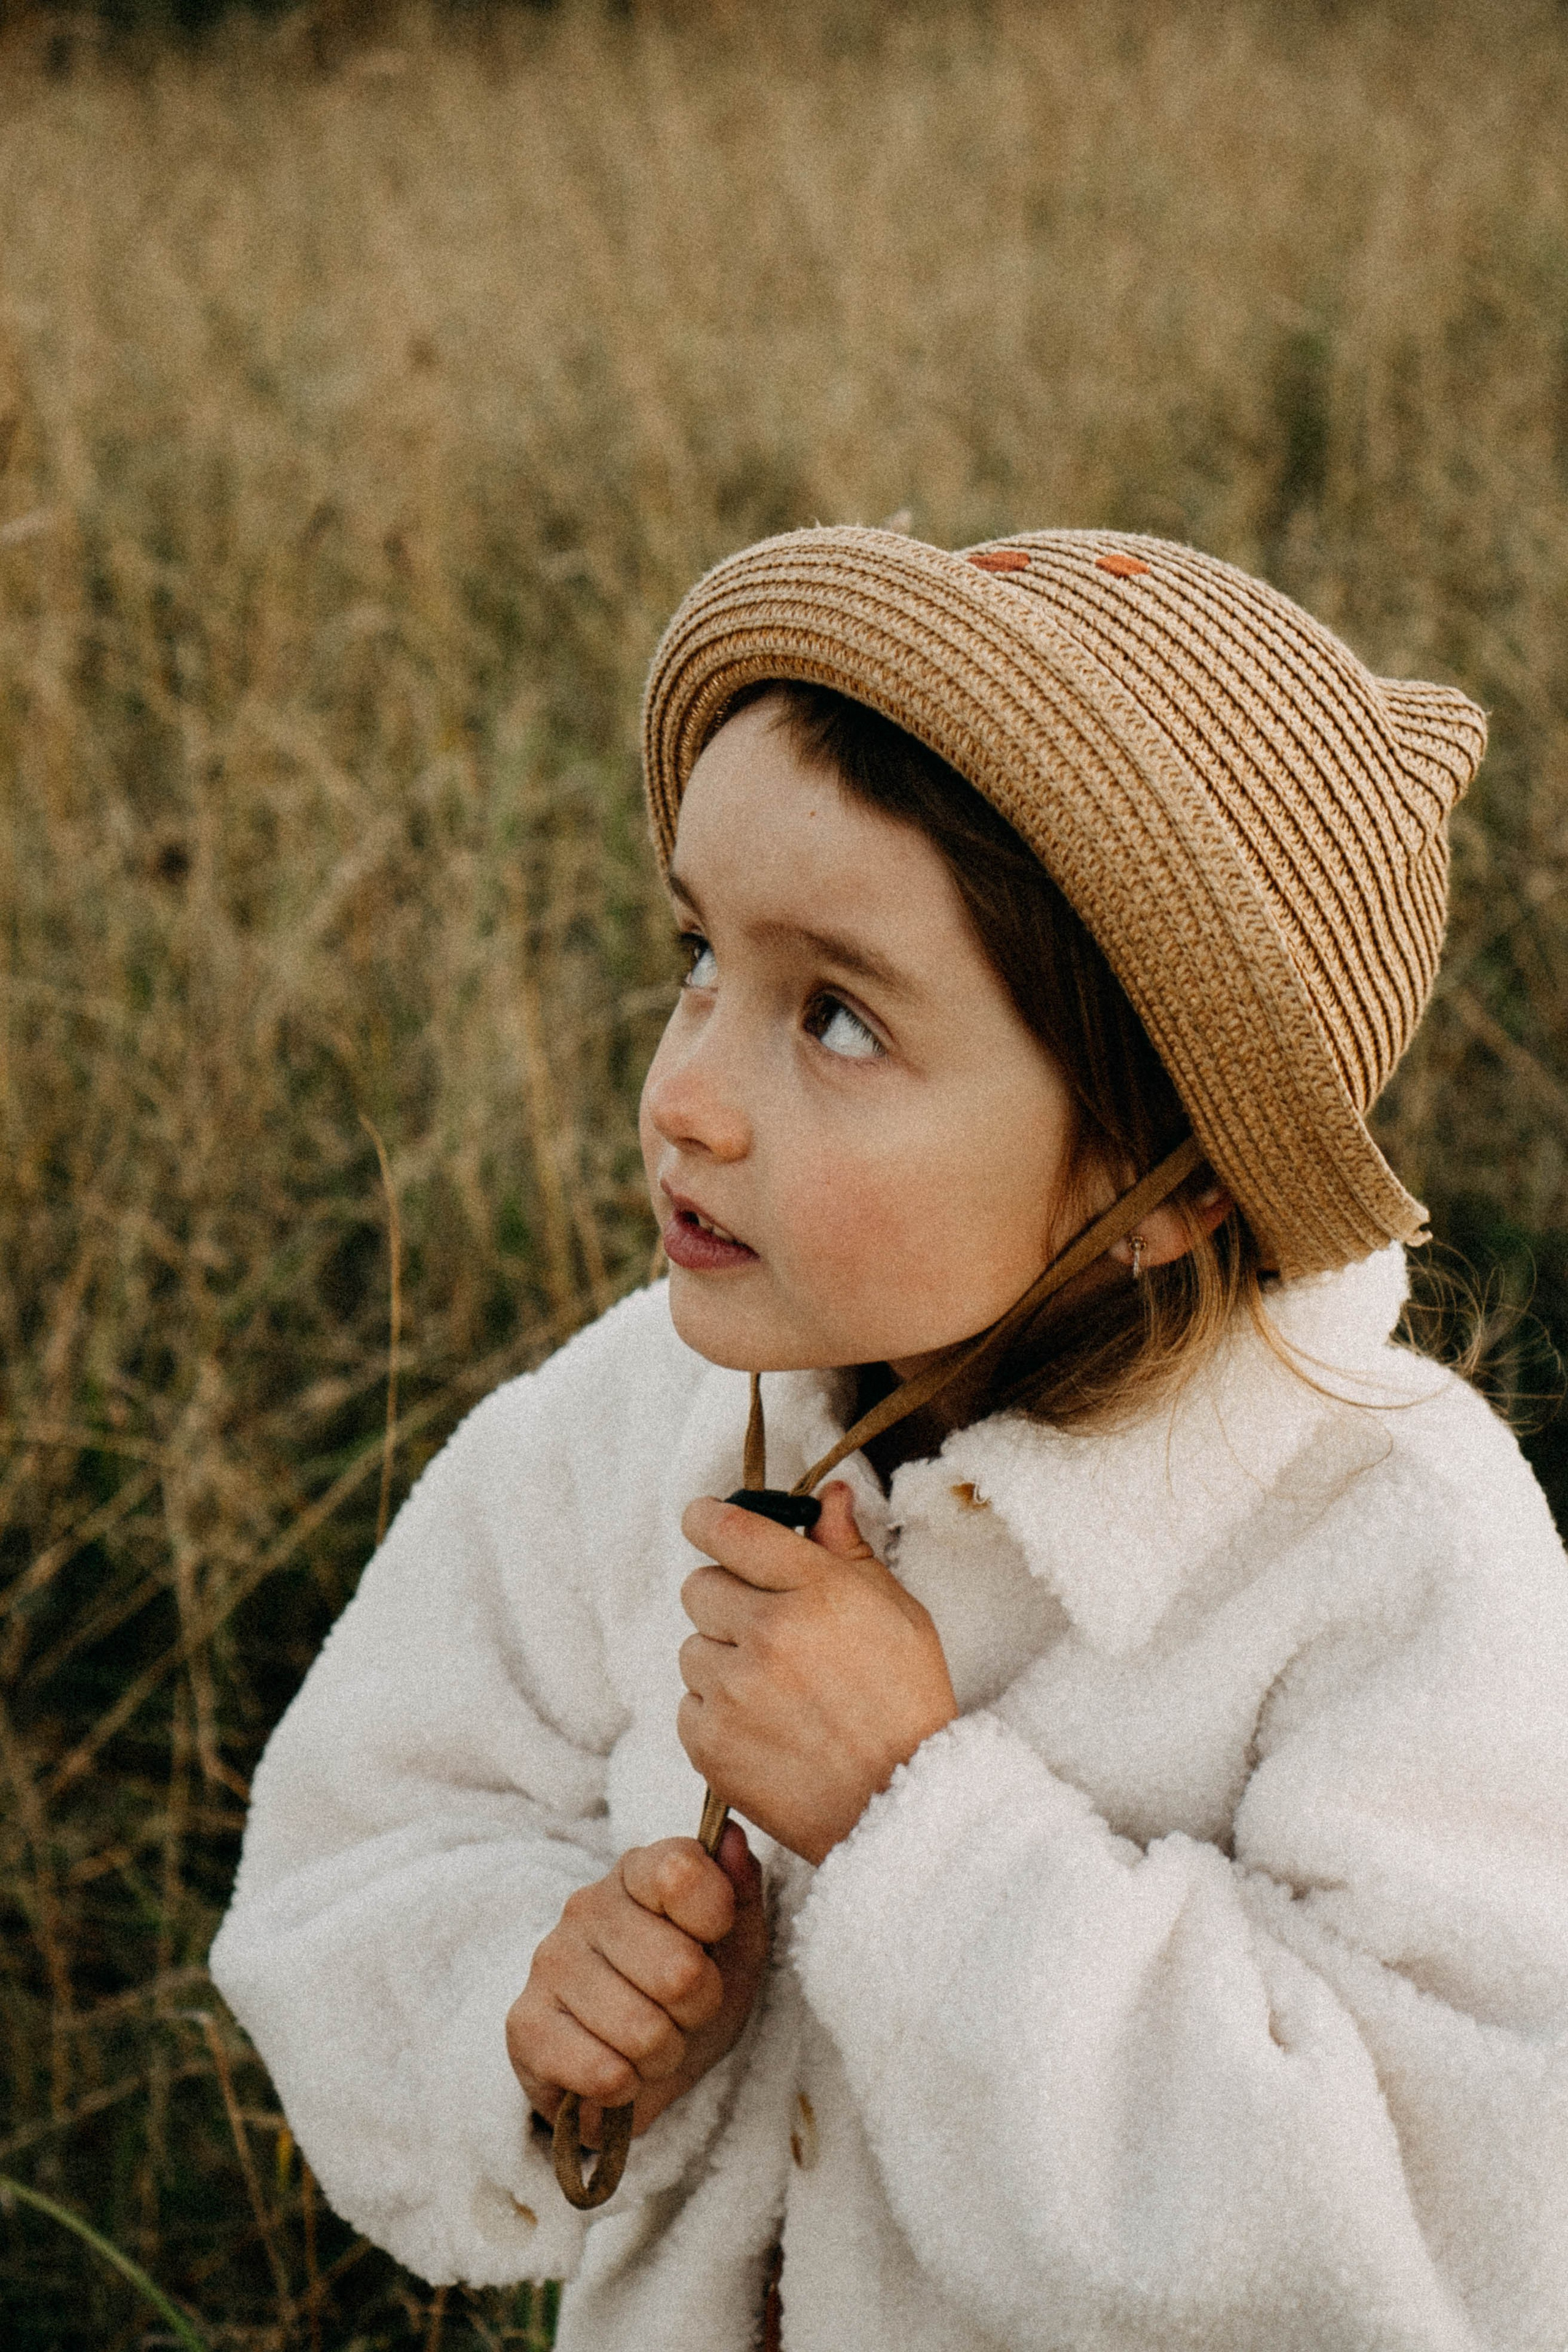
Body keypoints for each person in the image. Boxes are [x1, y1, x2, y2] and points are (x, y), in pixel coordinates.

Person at [209, 527, 1568, 2351]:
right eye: (700, 954)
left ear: (1159, 1177)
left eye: (836, 1016)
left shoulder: (1381, 1542)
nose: (682, 1094)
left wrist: (915, 1816)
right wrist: (535, 2008)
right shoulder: (637, 1426)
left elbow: (1447, 2224)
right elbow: (366, 1840)